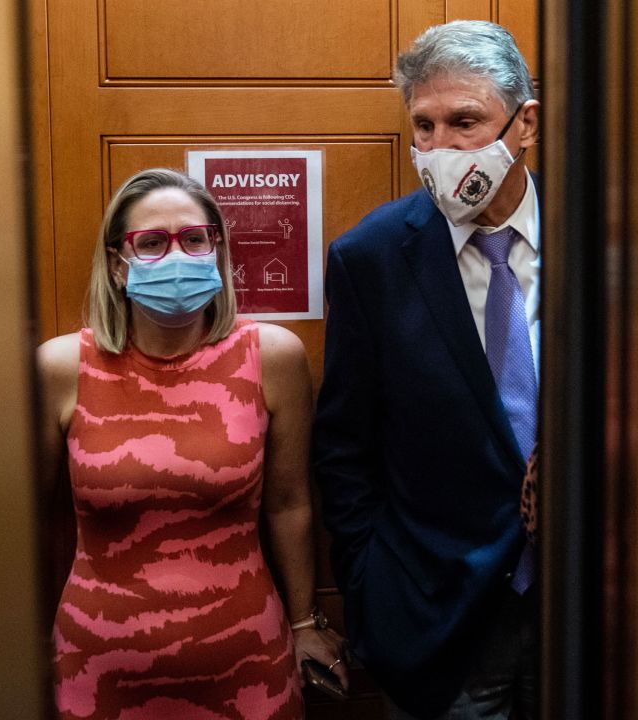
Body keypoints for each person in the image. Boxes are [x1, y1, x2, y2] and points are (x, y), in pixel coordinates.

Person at [37, 168, 348, 719]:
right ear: (116, 263)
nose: (176, 255)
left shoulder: (272, 357)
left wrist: (306, 624)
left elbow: (290, 503)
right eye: (152, 242)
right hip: (98, 670)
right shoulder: (63, 367)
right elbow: (25, 521)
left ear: (217, 250)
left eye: (194, 238)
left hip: (248, 665)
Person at [312, 20, 542, 720]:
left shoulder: (610, 237)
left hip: (602, 602)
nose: (440, 148)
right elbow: (345, 446)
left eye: (465, 122)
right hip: (441, 613)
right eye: (424, 127)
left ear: (523, 124)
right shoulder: (373, 258)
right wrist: (370, 582)